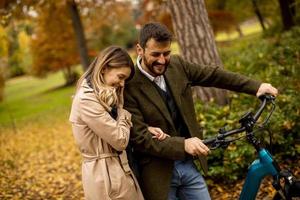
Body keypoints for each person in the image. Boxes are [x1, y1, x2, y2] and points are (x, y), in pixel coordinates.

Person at [123, 22, 278, 200]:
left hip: (188, 166)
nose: (162, 60)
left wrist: (256, 87)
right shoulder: (129, 85)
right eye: (155, 54)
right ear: (140, 50)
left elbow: (213, 75)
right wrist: (183, 144)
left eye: (166, 53)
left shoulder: (177, 65)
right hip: (157, 175)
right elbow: (140, 138)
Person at [69, 46, 169, 200]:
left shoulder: (100, 95)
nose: (122, 84)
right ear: (104, 68)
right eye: (120, 77)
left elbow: (110, 127)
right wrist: (121, 108)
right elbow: (120, 140)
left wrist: (144, 129)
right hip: (107, 177)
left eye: (125, 80)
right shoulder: (87, 99)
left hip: (117, 169)